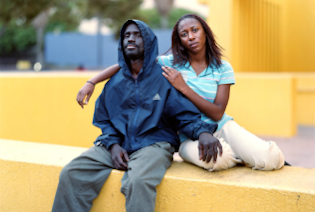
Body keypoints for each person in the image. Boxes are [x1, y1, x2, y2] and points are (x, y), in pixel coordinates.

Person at [35, 19, 222, 212]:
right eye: (126, 35)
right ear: (121, 44)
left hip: (154, 144)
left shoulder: (163, 79)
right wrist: (111, 145)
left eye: (137, 34)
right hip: (118, 146)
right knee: (72, 173)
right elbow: (105, 120)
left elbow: (184, 116)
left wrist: (203, 132)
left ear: (148, 42)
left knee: (135, 184)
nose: (131, 39)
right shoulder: (116, 82)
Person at [77, 14, 285, 172]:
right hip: (187, 135)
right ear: (180, 40)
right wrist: (92, 81)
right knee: (218, 160)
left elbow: (217, 113)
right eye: (184, 34)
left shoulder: (223, 68)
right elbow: (126, 64)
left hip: (222, 127)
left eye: (195, 30)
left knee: (268, 158)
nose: (190, 37)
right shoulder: (170, 63)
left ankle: (245, 151)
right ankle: (237, 154)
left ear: (205, 31)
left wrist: (183, 87)